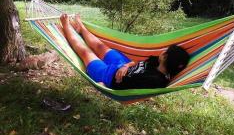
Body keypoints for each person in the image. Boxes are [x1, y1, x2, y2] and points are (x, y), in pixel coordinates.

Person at [60, 14, 190, 89]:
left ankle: (65, 26)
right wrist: (126, 65)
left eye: (165, 51)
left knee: (86, 53)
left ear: (166, 57)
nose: (162, 51)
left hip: (109, 77)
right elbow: (136, 62)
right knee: (100, 46)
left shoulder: (155, 80)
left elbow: (126, 88)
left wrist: (104, 86)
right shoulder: (156, 62)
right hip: (123, 63)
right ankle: (81, 28)